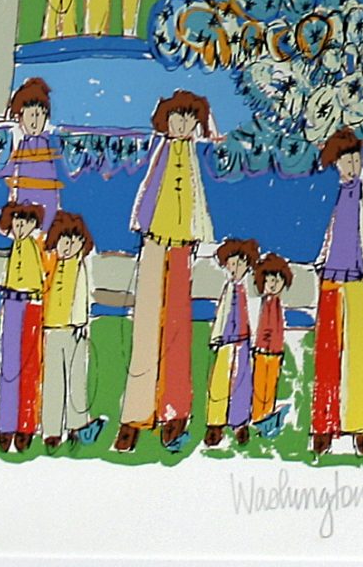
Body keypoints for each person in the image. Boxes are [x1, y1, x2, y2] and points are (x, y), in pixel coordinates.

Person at [118, 90, 215, 450]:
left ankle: (174, 413)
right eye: (178, 117)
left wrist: (195, 239)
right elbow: (145, 201)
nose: (183, 124)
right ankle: (135, 414)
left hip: (181, 247)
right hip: (155, 244)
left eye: (190, 118)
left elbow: (198, 206)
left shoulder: (191, 160)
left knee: (177, 330)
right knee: (146, 327)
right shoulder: (161, 155)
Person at [308, 127, 363, 455]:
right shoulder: (336, 195)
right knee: (327, 356)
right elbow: (328, 237)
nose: (352, 166)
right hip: (330, 279)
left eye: (356, 160)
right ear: (336, 164)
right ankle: (324, 425)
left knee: (360, 354)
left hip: (355, 278)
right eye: (346, 161)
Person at [38, 211, 103, 449]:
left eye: (75, 241)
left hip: (74, 329)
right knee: (53, 381)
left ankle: (76, 425)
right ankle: (51, 430)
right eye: (65, 241)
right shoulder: (52, 266)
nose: (69, 246)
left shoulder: (80, 267)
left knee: (75, 379)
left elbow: (82, 297)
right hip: (52, 328)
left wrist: (80, 323)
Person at [0, 201, 48, 452]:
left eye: (26, 222)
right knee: (9, 367)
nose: (21, 226)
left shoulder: (33, 248)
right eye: (17, 222)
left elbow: (39, 282)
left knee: (29, 366)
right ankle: (6, 426)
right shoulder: (14, 248)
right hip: (11, 302)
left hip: (31, 305)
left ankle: (25, 426)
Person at [204, 237, 263, 448]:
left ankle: (239, 423)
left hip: (244, 341)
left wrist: (255, 341)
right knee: (219, 382)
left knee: (242, 383)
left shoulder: (251, 289)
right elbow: (221, 315)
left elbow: (255, 315)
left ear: (248, 264)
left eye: (239, 263)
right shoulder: (228, 288)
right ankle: (215, 423)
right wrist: (216, 337)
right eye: (231, 264)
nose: (235, 268)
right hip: (226, 340)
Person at [3, 79, 64, 226]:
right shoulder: (20, 145)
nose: (35, 122)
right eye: (31, 115)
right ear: (20, 116)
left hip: (48, 201)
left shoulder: (51, 143)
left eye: (39, 115)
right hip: (24, 203)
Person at [251, 252, 293, 437]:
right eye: (270, 280)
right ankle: (258, 417)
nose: (273, 284)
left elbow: (277, 331)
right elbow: (263, 329)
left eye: (277, 280)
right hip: (262, 351)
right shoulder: (264, 304)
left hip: (275, 352)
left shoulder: (276, 304)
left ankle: (266, 416)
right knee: (260, 386)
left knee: (270, 386)